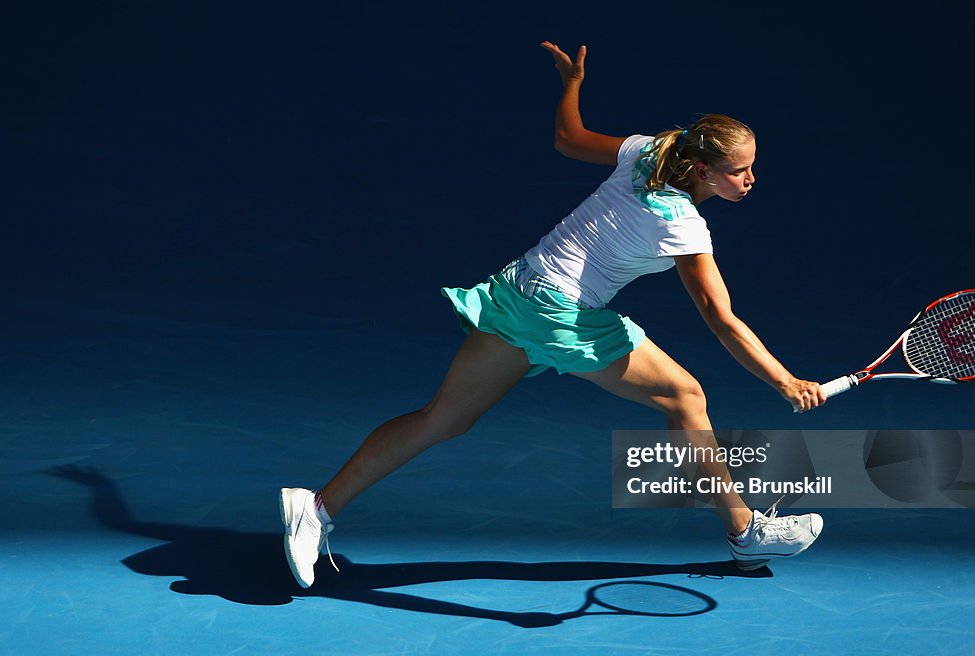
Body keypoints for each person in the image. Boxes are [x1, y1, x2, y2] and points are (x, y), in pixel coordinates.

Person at [279, 41, 827, 589]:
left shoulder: (648, 152)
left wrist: (571, 83)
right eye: (739, 170)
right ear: (704, 172)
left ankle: (317, 507)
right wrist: (784, 381)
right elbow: (719, 316)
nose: (751, 178)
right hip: (557, 312)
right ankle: (744, 532)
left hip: (519, 292)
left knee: (444, 419)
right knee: (684, 396)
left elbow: (568, 140)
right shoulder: (683, 225)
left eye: (752, 167)